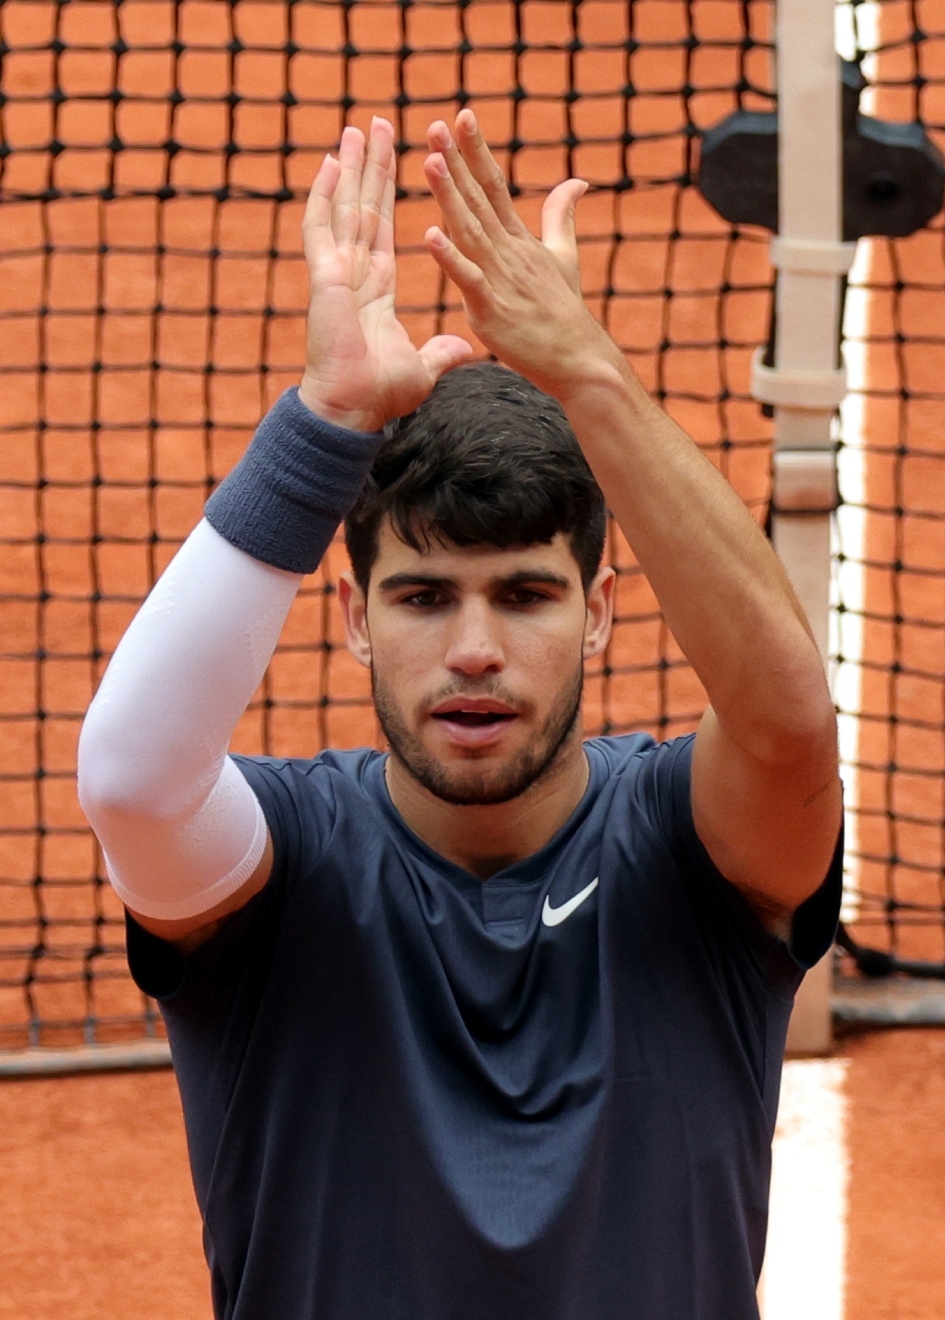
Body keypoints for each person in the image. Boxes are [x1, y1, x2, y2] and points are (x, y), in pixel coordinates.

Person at [75, 110, 843, 1316]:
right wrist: (324, 423)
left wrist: (591, 377)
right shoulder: (278, 867)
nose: (475, 651)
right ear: (355, 616)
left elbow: (791, 727)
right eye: (424, 595)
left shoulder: (694, 855)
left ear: (596, 612)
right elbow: (128, 777)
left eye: (526, 595)